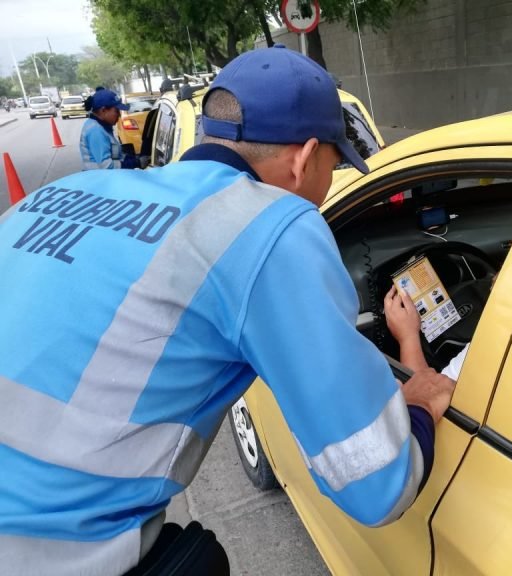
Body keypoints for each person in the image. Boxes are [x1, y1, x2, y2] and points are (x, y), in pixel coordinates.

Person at [0, 46, 454, 576]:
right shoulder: (271, 225)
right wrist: (419, 397)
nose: (328, 188)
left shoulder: (58, 195)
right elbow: (376, 484)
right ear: (305, 157)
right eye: (333, 167)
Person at [80, 88, 137, 170]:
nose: (119, 115)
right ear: (103, 110)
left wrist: (129, 159)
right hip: (99, 179)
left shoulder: (103, 127)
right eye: (116, 111)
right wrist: (133, 163)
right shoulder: (95, 131)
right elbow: (107, 166)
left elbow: (114, 154)